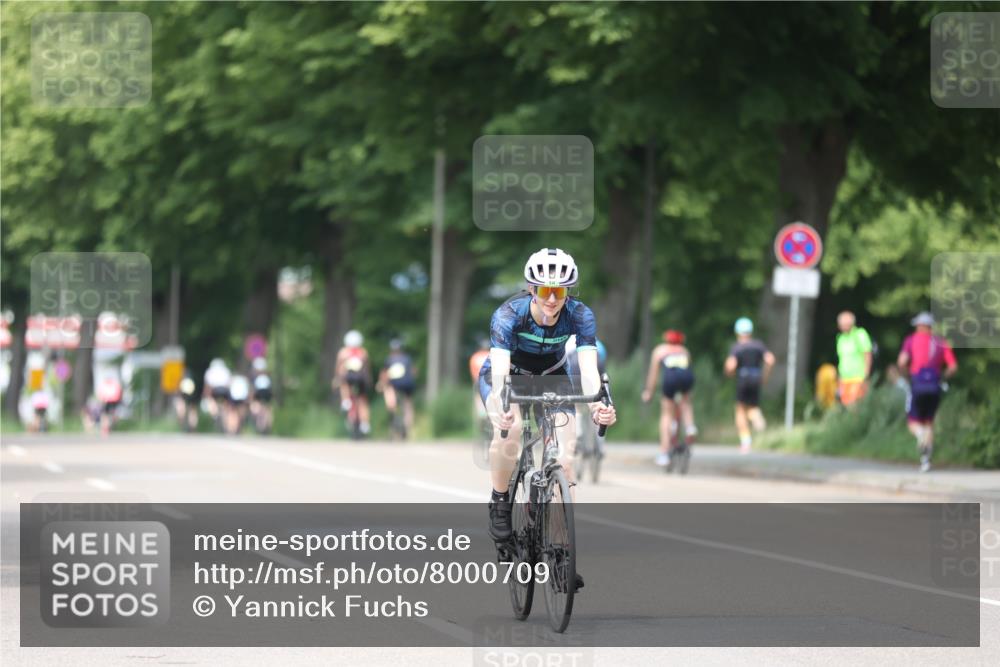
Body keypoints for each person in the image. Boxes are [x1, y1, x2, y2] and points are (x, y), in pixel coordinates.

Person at [480, 248, 617, 593]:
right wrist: (500, 401)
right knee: (509, 433)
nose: (553, 299)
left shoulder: (581, 315)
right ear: (531, 289)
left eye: (560, 291)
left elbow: (587, 370)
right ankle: (499, 502)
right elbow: (498, 370)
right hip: (509, 374)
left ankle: (560, 555)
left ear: (569, 291)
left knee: (566, 463)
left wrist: (596, 406)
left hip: (552, 377)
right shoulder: (508, 314)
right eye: (545, 291)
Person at [897, 312, 957, 472]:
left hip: (917, 385)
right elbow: (952, 367)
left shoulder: (911, 340)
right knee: (929, 422)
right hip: (935, 386)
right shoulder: (941, 342)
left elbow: (901, 362)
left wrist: (906, 375)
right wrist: (942, 378)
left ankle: (920, 436)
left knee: (913, 422)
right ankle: (925, 461)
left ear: (921, 326)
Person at [642, 329, 697, 467]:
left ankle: (664, 453)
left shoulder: (660, 350)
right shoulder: (684, 351)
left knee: (666, 414)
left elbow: (653, 374)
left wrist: (649, 392)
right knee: (686, 404)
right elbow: (689, 370)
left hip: (670, 379)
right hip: (686, 379)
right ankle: (690, 427)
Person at [724, 317, 775, 453]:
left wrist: (728, 373)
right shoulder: (758, 345)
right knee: (753, 406)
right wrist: (765, 376)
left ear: (737, 333)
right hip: (756, 377)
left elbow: (731, 365)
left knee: (740, 410)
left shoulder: (737, 347)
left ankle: (746, 442)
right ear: (750, 332)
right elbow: (770, 360)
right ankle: (757, 418)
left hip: (743, 378)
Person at [335, 329, 372, 436]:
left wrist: (336, 378)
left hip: (348, 378)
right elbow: (367, 368)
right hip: (361, 379)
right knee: (362, 401)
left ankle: (345, 400)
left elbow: (338, 367)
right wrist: (368, 380)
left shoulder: (343, 352)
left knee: (343, 381)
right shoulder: (363, 352)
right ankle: (365, 423)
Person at [378, 338, 416, 440]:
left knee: (390, 401)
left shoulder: (389, 360)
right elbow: (413, 372)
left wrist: (381, 384)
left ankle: (394, 421)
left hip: (394, 385)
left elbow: (384, 375)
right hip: (408, 385)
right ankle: (407, 427)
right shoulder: (407, 359)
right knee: (408, 405)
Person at [836, 311, 873, 407]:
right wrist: (840, 379)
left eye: (845, 325)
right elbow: (842, 360)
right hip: (845, 378)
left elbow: (867, 354)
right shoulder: (840, 338)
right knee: (846, 405)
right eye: (841, 325)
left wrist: (866, 375)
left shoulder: (860, 334)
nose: (843, 327)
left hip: (858, 377)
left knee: (855, 405)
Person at [203, 358, 232, 429]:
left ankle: (215, 414)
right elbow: (229, 383)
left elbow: (208, 386)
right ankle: (225, 417)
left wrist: (206, 396)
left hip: (215, 390)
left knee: (211, 401)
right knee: (225, 405)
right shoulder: (226, 371)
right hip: (224, 390)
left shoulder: (210, 371)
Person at [250, 357, 273, 434]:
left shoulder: (255, 377)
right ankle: (267, 423)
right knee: (267, 408)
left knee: (256, 407)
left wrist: (251, 399)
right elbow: (270, 389)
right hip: (267, 393)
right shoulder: (267, 376)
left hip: (259, 392)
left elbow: (253, 391)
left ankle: (260, 423)